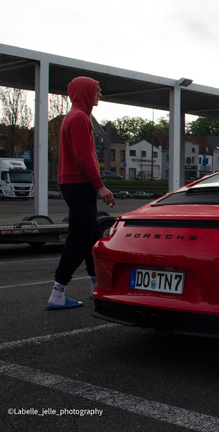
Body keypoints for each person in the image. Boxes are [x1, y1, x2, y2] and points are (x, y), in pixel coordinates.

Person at [46, 76, 115, 309]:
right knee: (79, 239)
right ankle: (58, 292)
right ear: (85, 92)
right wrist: (100, 186)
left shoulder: (73, 116)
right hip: (80, 185)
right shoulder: (79, 118)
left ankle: (96, 284)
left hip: (73, 184)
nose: (99, 95)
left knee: (92, 236)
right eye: (97, 90)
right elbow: (84, 158)